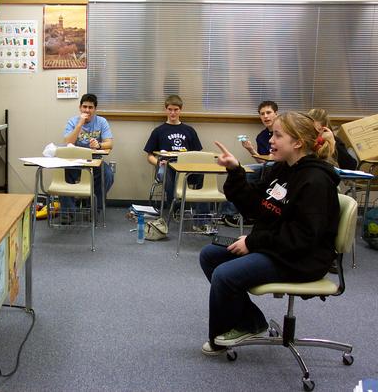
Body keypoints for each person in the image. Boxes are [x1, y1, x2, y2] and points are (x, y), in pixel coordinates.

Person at [199, 111, 340, 356]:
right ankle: (251, 322)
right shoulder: (282, 170)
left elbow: (303, 237)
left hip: (302, 258)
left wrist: (253, 242)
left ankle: (229, 332)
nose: (270, 140)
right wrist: (235, 171)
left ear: (297, 142)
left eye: (277, 135)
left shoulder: (316, 180)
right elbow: (256, 207)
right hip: (279, 246)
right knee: (210, 255)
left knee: (224, 274)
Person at [221, 100, 279, 227]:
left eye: (268, 112)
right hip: (267, 166)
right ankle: (229, 213)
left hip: (280, 165)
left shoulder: (283, 132)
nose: (265, 116)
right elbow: (262, 161)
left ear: (276, 114)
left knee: (253, 170)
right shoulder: (262, 136)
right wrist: (250, 149)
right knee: (243, 171)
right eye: (262, 114)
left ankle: (236, 214)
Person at [143, 94, 203, 208]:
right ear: (166, 110)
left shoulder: (189, 130)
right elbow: (149, 156)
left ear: (180, 110)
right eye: (170, 110)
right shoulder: (158, 131)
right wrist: (158, 163)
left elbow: (198, 154)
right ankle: (174, 208)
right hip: (166, 167)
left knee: (204, 174)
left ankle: (201, 217)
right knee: (167, 172)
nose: (173, 113)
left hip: (187, 168)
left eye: (176, 110)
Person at [61, 93, 114, 215]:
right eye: (84, 107)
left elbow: (110, 143)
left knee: (108, 175)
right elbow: (68, 141)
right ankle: (68, 212)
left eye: (90, 107)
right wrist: (79, 124)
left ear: (95, 109)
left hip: (94, 160)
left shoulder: (101, 122)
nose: (87, 110)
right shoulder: (73, 122)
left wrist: (99, 145)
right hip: (75, 160)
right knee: (64, 174)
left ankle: (94, 208)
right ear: (80, 107)